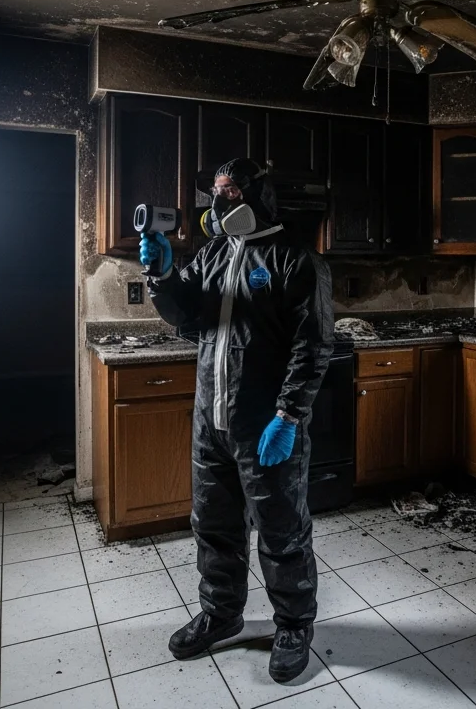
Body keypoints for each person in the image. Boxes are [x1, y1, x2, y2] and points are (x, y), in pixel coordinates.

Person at [139, 158, 334, 683]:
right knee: (215, 527)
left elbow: (312, 346)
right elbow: (186, 313)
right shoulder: (210, 256)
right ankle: (222, 614)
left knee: (281, 531)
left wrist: (288, 416)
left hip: (265, 425)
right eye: (216, 195)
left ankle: (294, 624)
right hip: (213, 423)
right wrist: (160, 275)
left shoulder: (297, 263)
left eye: (229, 194)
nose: (219, 205)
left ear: (257, 197)